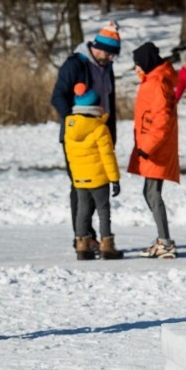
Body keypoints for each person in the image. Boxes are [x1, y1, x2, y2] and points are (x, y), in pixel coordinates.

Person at [51, 21, 121, 252]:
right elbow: (58, 96)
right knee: (80, 186)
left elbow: (109, 100)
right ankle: (83, 236)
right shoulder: (75, 64)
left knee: (99, 186)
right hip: (77, 138)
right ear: (99, 48)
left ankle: (90, 237)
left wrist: (111, 134)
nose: (111, 59)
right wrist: (73, 124)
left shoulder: (106, 67)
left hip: (101, 135)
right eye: (110, 54)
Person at [129, 42, 180, 259]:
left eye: (138, 64)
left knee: (153, 193)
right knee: (148, 193)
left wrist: (147, 147)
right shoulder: (152, 80)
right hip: (151, 147)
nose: (136, 69)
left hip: (155, 148)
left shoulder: (157, 83)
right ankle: (163, 239)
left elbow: (162, 119)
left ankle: (166, 242)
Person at [64, 83, 123, 260]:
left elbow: (70, 155)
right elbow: (108, 156)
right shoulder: (100, 128)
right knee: (103, 211)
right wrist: (115, 179)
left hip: (80, 179)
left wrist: (76, 176)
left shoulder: (69, 128)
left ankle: (82, 247)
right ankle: (107, 246)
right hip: (99, 179)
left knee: (82, 211)